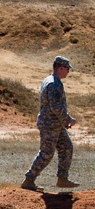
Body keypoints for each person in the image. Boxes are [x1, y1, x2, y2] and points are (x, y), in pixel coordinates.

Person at [22, 56, 79, 191]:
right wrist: (67, 120)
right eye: (67, 69)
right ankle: (29, 180)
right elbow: (55, 107)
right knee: (46, 153)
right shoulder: (54, 84)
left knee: (66, 147)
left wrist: (65, 119)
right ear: (60, 68)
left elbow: (54, 106)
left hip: (55, 123)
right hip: (50, 124)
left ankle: (62, 179)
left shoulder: (50, 80)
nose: (68, 72)